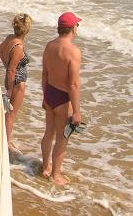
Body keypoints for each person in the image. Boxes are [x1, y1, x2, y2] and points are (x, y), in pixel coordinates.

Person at [40, 12, 83, 186]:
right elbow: (73, 85)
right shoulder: (73, 52)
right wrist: (77, 111)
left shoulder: (49, 46)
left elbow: (45, 74)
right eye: (77, 25)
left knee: (48, 133)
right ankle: (55, 175)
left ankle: (45, 168)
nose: (77, 28)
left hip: (50, 93)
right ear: (72, 28)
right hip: (63, 99)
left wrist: (44, 96)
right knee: (62, 139)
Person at [0, 13, 33, 151]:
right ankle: (5, 142)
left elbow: (0, 49)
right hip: (17, 82)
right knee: (11, 114)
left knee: (9, 112)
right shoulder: (18, 47)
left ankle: (4, 138)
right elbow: (13, 70)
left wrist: (5, 63)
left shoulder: (9, 38)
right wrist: (10, 91)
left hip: (12, 79)